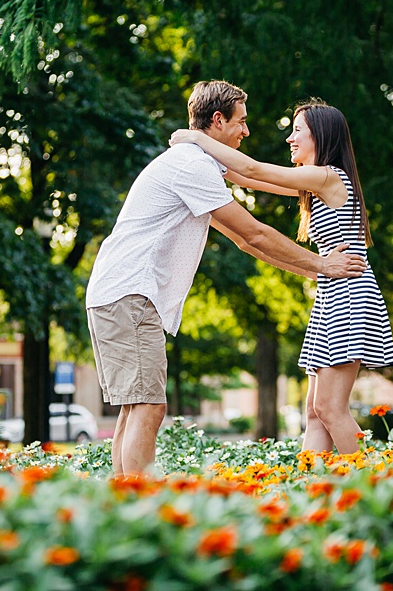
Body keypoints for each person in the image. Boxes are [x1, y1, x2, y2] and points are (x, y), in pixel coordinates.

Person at [86, 82, 367, 477]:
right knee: (146, 405)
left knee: (139, 406)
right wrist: (320, 267)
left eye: (297, 130)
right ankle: (137, 505)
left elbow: (246, 230)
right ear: (218, 120)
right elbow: (251, 214)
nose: (248, 132)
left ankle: (362, 483)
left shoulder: (204, 165)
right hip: (131, 292)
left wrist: (316, 268)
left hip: (341, 293)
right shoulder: (192, 165)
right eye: (241, 122)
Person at [170, 100, 393, 454]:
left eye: (297, 131)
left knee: (331, 408)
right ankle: (309, 492)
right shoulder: (313, 183)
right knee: (315, 410)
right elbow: (244, 176)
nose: (289, 139)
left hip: (349, 295)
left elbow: (255, 169)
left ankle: (382, 489)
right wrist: (202, 163)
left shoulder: (327, 176)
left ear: (320, 136)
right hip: (332, 295)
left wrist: (192, 137)